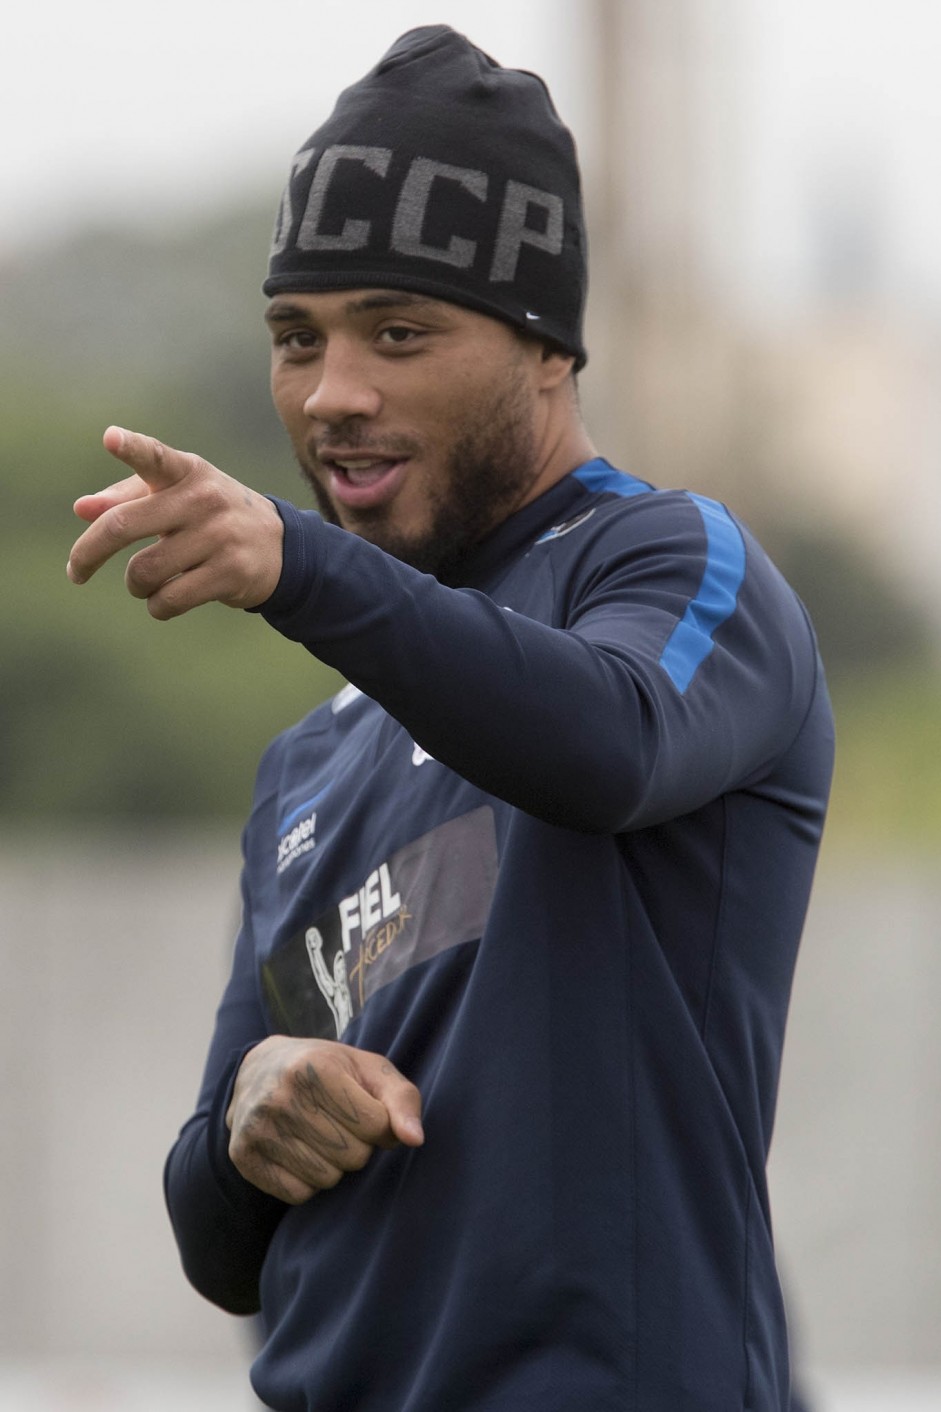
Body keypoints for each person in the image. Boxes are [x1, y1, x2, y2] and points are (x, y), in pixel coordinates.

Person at [67, 26, 834, 1412]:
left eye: (399, 332)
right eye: (297, 339)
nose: (332, 393)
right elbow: (216, 1239)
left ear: (544, 343)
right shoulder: (314, 758)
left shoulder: (669, 564)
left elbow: (610, 745)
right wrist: (256, 1113)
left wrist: (301, 564)